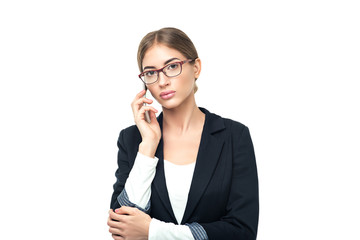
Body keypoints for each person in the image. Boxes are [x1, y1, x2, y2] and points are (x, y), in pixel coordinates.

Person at [108, 27, 259, 240]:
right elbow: (120, 226)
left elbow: (243, 232)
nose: (162, 81)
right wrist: (148, 147)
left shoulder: (234, 137)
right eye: (151, 72)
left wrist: (153, 232)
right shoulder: (133, 139)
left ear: (195, 67)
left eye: (172, 66)